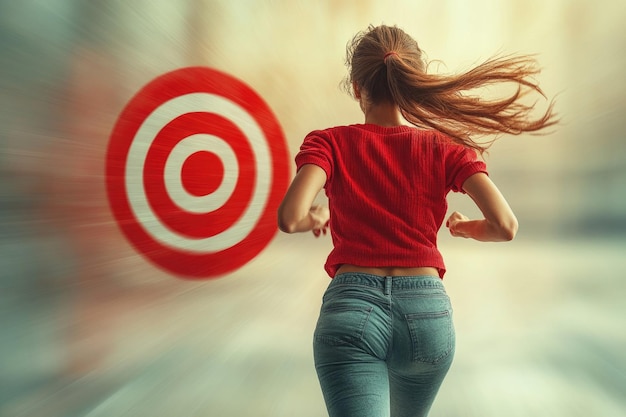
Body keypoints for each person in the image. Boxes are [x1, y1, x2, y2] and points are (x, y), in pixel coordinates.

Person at [277, 24, 557, 417]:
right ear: (411, 84)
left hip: (351, 311)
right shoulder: (445, 148)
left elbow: (289, 218)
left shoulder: (330, 142)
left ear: (357, 87)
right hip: (427, 316)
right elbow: (505, 226)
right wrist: (465, 228)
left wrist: (315, 217)